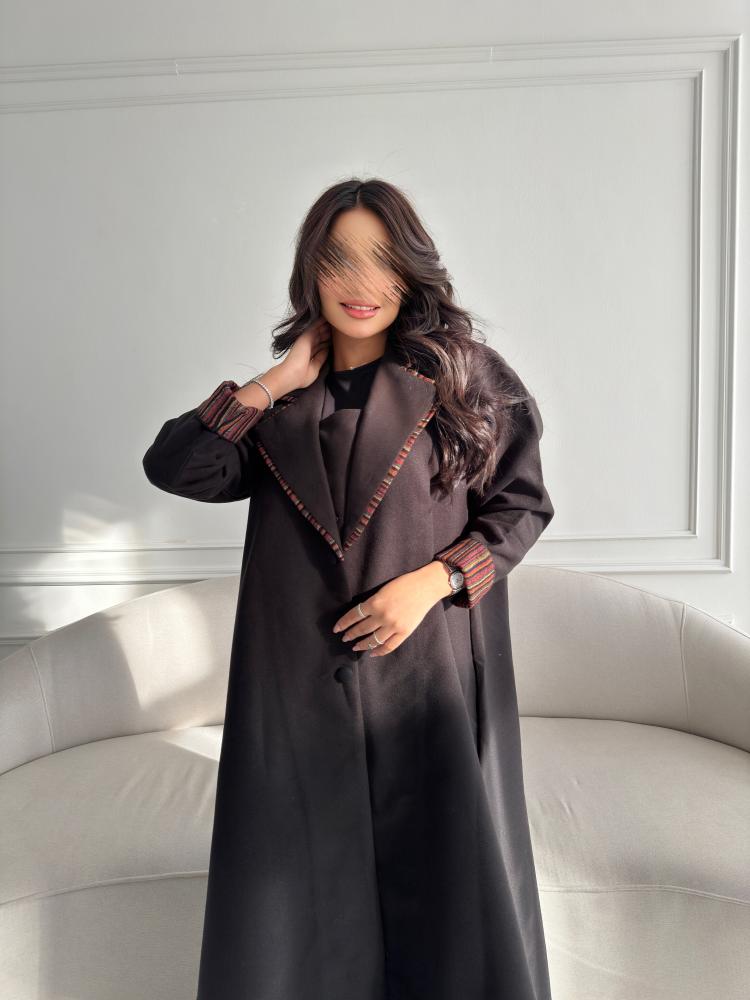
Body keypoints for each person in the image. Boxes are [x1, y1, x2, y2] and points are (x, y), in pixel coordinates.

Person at [142, 177, 555, 1000]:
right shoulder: (283, 405)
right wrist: (271, 383)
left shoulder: (463, 377)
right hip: (301, 692)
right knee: (304, 920)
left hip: (426, 679)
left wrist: (433, 582)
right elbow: (176, 467)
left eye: (380, 260)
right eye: (338, 260)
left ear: (409, 271)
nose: (360, 283)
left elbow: (521, 505)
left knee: (445, 908)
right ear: (310, 271)